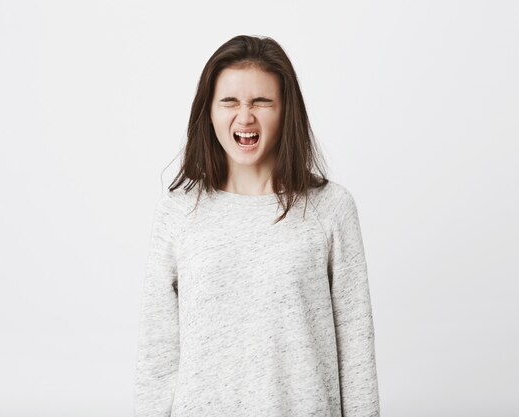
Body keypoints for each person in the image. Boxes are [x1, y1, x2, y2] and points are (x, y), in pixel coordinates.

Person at [134, 34, 380, 417]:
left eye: (262, 102)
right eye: (229, 101)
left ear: (286, 111)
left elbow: (356, 351)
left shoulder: (331, 208)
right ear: (209, 111)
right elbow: (158, 356)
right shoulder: (179, 210)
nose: (245, 117)